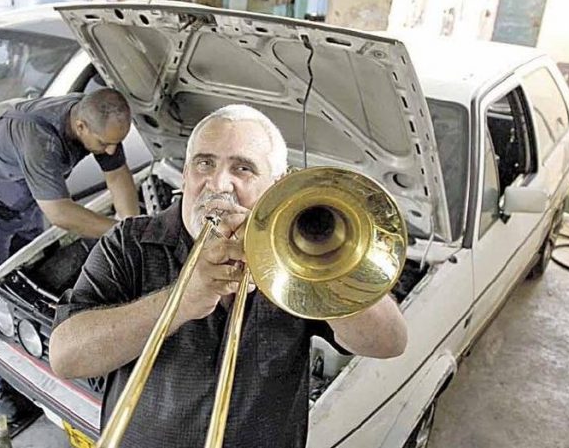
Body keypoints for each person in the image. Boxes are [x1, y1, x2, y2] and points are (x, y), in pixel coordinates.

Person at [48, 105, 409, 447]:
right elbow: (66, 358)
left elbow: (390, 342)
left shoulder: (297, 259)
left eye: (244, 169)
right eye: (205, 163)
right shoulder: (130, 243)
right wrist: (181, 300)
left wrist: (320, 259)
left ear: (277, 185)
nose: (219, 184)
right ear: (187, 173)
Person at [0, 88, 141, 423]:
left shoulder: (99, 123)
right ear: (82, 127)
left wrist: (131, 229)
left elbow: (117, 176)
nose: (111, 150)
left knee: (25, 276)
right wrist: (117, 232)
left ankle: (27, 350)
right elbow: (61, 214)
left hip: (27, 192)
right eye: (105, 144)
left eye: (117, 142)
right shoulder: (40, 137)